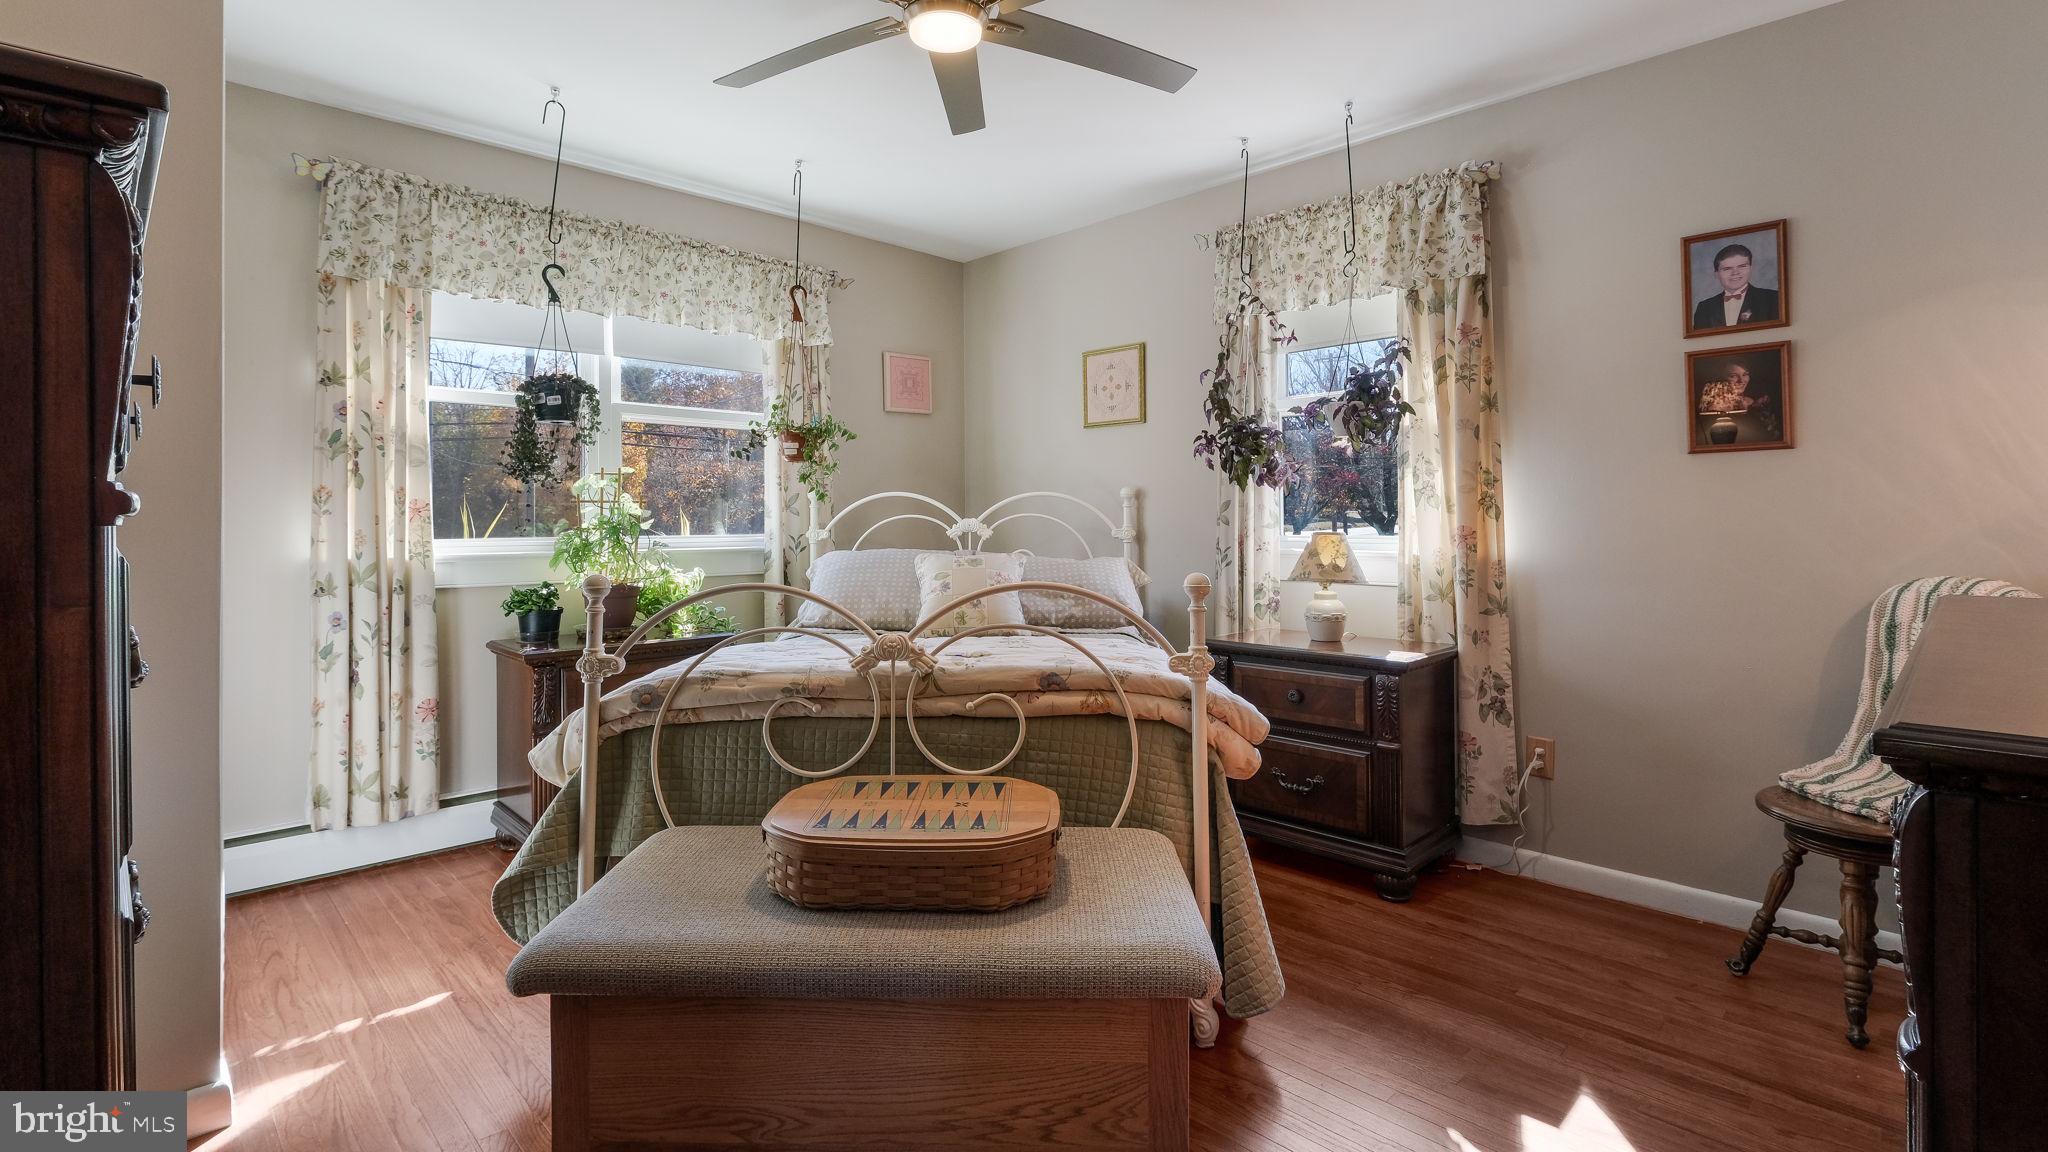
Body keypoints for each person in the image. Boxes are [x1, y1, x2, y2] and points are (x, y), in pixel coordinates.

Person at [1692, 242, 1780, 329]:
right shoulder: (1704, 308)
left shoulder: (1773, 299)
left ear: (1751, 268)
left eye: (1742, 266)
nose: (1735, 273)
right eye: (1727, 269)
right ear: (1716, 274)